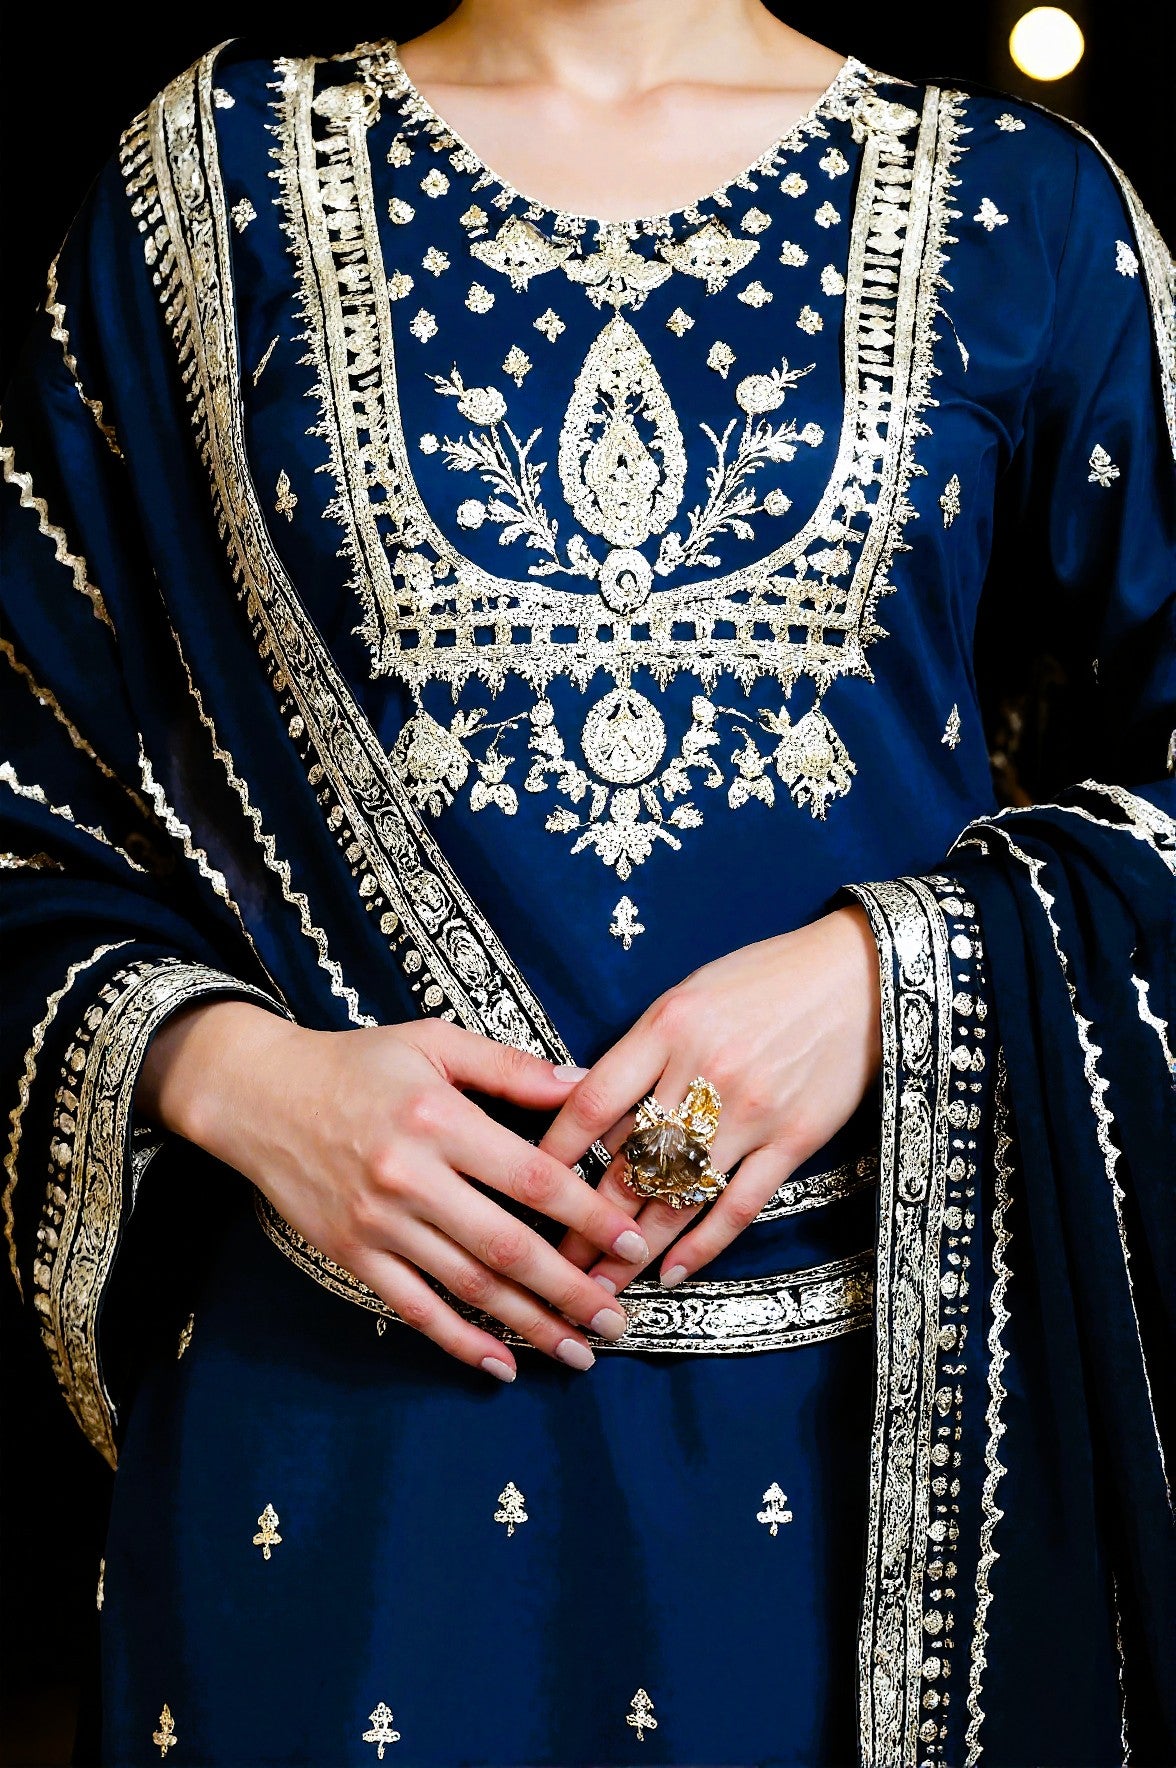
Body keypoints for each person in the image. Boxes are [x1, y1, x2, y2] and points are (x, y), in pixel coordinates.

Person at [2, 1, 1173, 1761]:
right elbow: (23, 782)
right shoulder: (206, 182)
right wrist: (240, 1079)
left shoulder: (1029, 209)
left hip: (866, 1473)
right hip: (339, 1456)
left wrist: (888, 974)